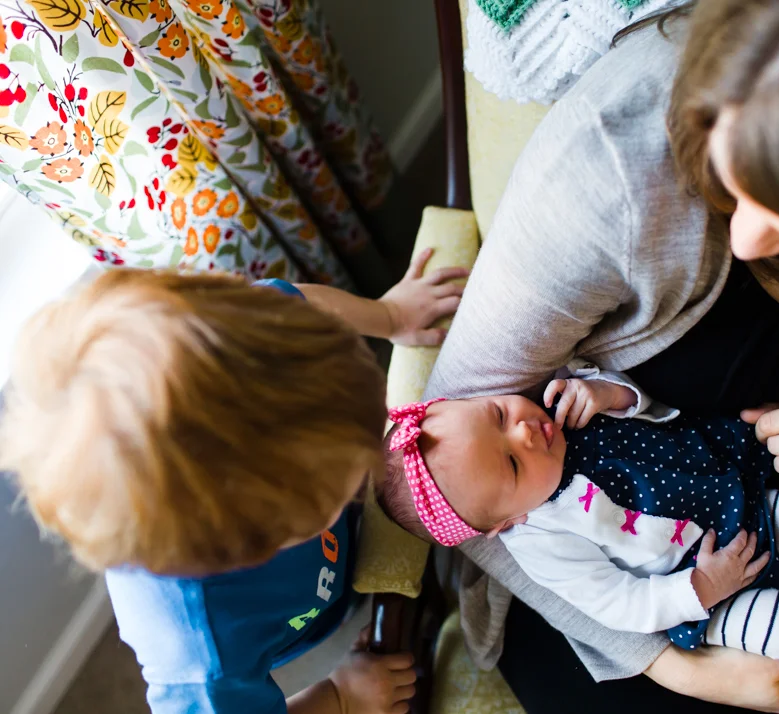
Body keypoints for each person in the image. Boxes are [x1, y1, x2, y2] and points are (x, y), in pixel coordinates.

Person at [422, 0, 779, 711]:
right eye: (733, 176)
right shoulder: (612, 163)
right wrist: (677, 666)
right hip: (622, 595)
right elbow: (444, 486)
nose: (748, 239)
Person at [0, 249, 466, 714]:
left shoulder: (254, 336)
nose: (369, 468)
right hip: (304, 620)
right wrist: (341, 697)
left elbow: (302, 301)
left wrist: (389, 315)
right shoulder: (202, 658)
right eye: (338, 481)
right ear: (247, 546)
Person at [377, 377, 779, 664]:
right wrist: (700, 589)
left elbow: (655, 410)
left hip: (733, 504)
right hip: (706, 591)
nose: (524, 431)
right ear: (506, 522)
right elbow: (616, 603)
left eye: (498, 414)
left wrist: (609, 391)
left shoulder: (568, 407)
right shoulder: (542, 541)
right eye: (513, 464)